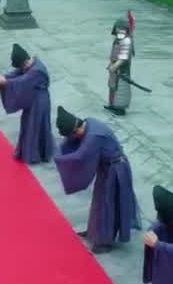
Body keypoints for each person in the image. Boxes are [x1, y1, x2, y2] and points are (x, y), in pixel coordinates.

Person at [54, 107, 141, 254]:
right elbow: (68, 142)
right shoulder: (88, 122)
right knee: (99, 202)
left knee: (108, 206)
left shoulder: (93, 136)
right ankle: (94, 232)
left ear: (76, 130)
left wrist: (59, 158)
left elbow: (80, 156)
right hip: (106, 167)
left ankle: (104, 242)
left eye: (72, 135)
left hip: (116, 170)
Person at [0, 44, 54, 163]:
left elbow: (23, 80)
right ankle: (33, 152)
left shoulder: (37, 71)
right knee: (29, 124)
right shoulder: (29, 64)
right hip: (33, 99)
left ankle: (34, 155)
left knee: (34, 125)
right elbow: (18, 72)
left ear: (25, 61)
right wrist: (6, 76)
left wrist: (7, 82)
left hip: (39, 102)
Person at [106, 12, 136, 116]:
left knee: (121, 89)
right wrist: (111, 64)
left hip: (122, 70)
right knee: (112, 86)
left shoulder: (126, 41)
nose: (119, 30)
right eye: (118, 28)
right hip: (114, 69)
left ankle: (119, 108)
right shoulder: (117, 40)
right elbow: (114, 54)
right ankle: (112, 105)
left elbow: (123, 58)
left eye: (121, 28)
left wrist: (115, 66)